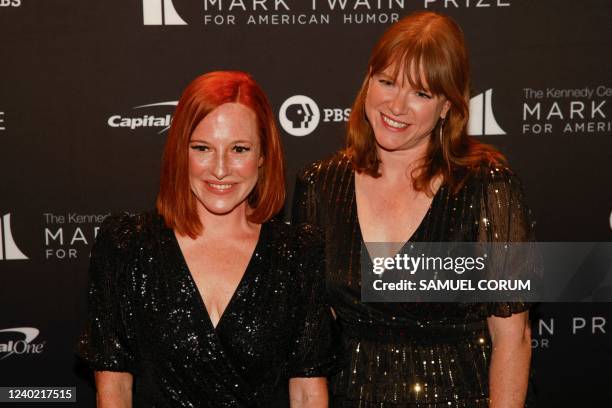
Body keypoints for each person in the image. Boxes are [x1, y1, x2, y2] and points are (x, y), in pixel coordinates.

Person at [292, 11, 535, 408]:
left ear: (446, 106)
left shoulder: (487, 187)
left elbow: (513, 336)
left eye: (421, 93)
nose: (396, 105)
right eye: (386, 82)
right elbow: (312, 342)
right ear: (367, 82)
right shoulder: (319, 185)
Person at [79, 71, 340, 407]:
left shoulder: (299, 254)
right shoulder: (126, 246)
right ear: (179, 151)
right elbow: (114, 390)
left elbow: (307, 393)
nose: (220, 169)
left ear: (263, 156)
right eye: (202, 148)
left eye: (239, 149)